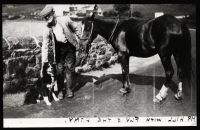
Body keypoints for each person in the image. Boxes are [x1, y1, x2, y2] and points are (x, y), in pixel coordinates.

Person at [39, 5, 79, 99]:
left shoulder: (65, 20)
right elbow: (45, 46)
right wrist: (44, 63)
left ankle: (69, 89)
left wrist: (79, 38)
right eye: (45, 17)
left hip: (70, 47)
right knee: (59, 70)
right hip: (58, 50)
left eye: (48, 15)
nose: (47, 18)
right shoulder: (47, 29)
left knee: (69, 68)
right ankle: (60, 90)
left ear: (53, 13)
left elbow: (76, 28)